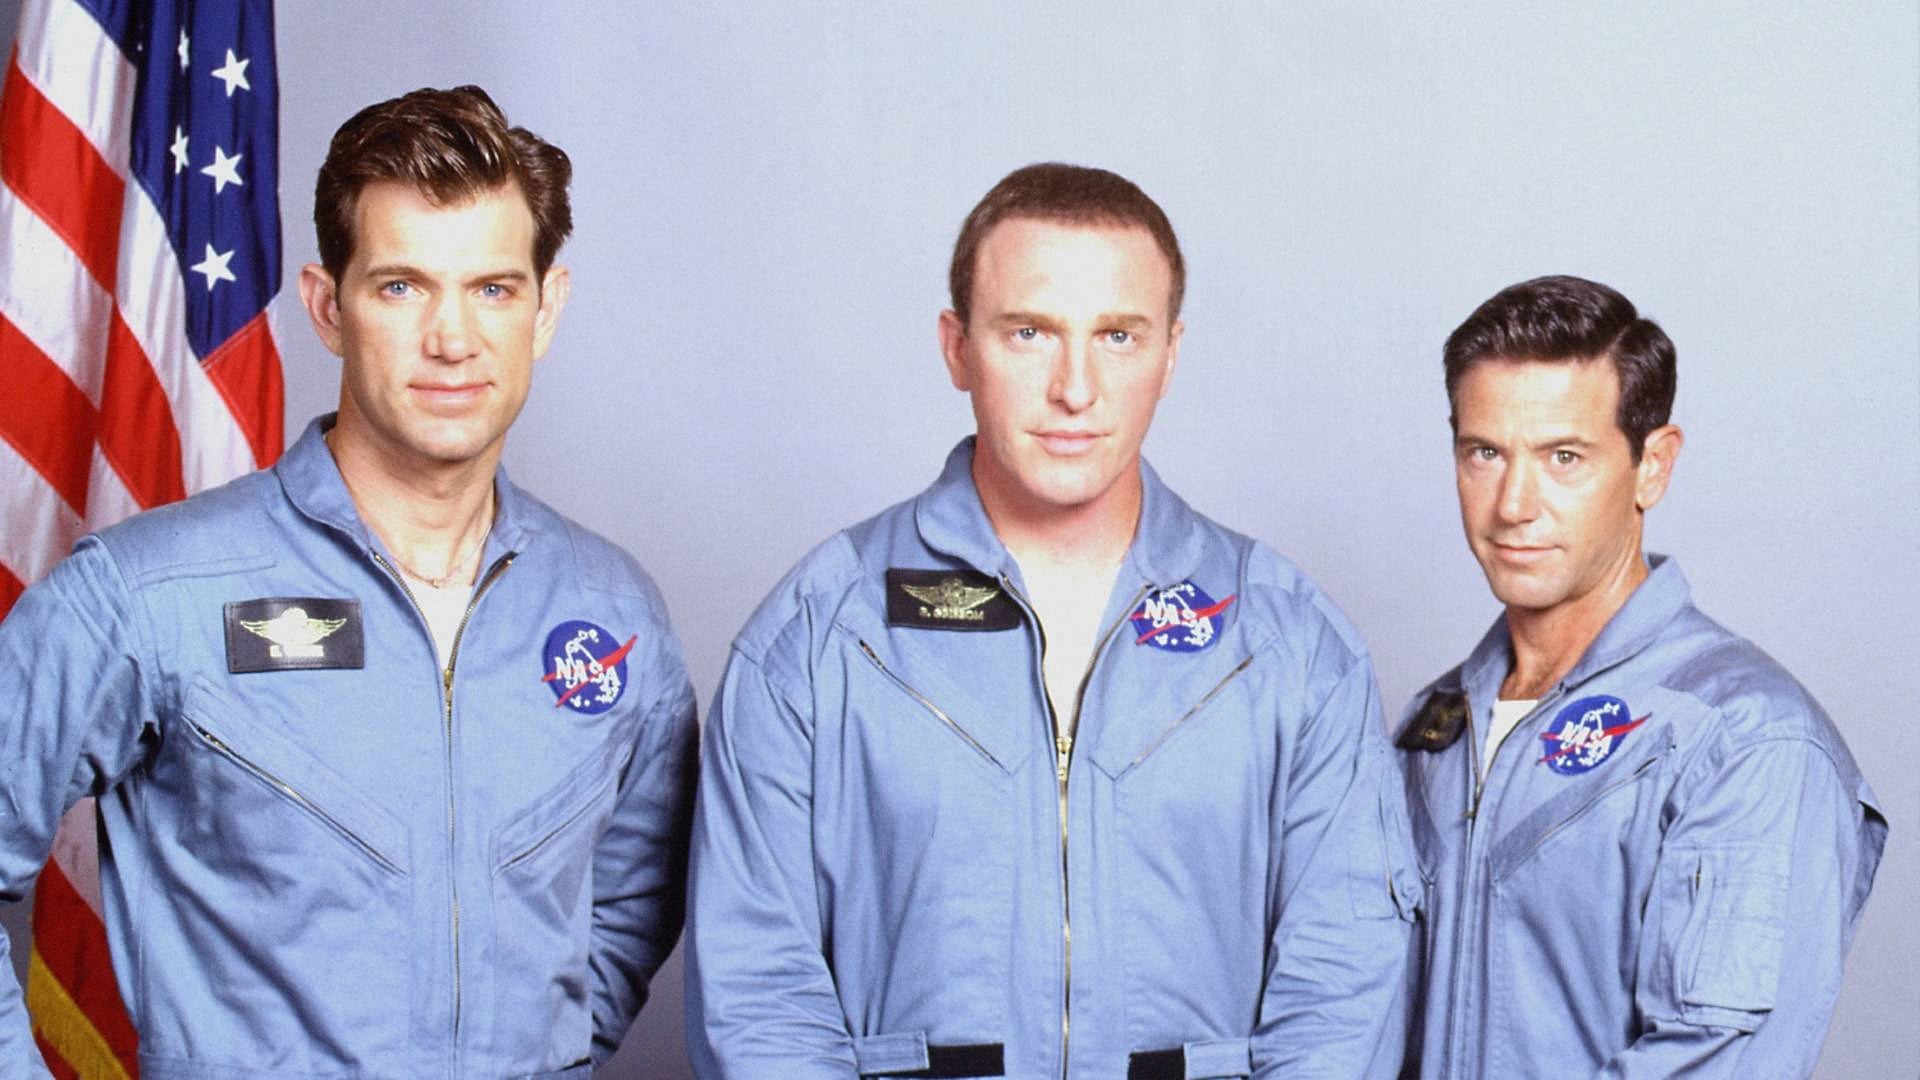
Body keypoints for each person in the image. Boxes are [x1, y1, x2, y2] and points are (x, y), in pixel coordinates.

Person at [0, 86, 697, 1078]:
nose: (452, 339)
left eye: (493, 290)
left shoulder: (611, 612)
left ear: (546, 310)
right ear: (329, 308)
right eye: (402, 287)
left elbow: (629, 905)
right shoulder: (152, 594)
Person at [686, 162, 1416, 1079]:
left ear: (1170, 355)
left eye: (1117, 336)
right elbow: (756, 994)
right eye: (1029, 332)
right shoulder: (821, 633)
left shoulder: (1287, 643)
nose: (1076, 387)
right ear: (958, 348)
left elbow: (1343, 994)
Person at [1396, 274, 1886, 1078]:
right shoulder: (1435, 729)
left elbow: (1716, 1062)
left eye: (1563, 457)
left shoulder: (1747, 741)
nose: (1513, 504)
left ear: (1652, 466)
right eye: (1485, 453)